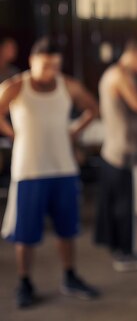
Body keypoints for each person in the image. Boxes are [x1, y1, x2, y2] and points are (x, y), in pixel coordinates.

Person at [0, 37, 100, 308]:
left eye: (55, 66)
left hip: (63, 168)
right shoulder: (16, 86)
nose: (50, 72)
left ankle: (69, 276)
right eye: (45, 66)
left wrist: (74, 132)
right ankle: (24, 282)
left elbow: (93, 108)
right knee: (26, 232)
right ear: (32, 62)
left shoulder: (67, 85)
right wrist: (13, 134)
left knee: (67, 229)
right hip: (29, 170)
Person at [95, 39, 137, 272]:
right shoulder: (119, 76)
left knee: (125, 205)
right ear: (133, 55)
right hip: (124, 153)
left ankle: (125, 251)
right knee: (128, 207)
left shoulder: (119, 75)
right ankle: (128, 254)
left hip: (121, 151)